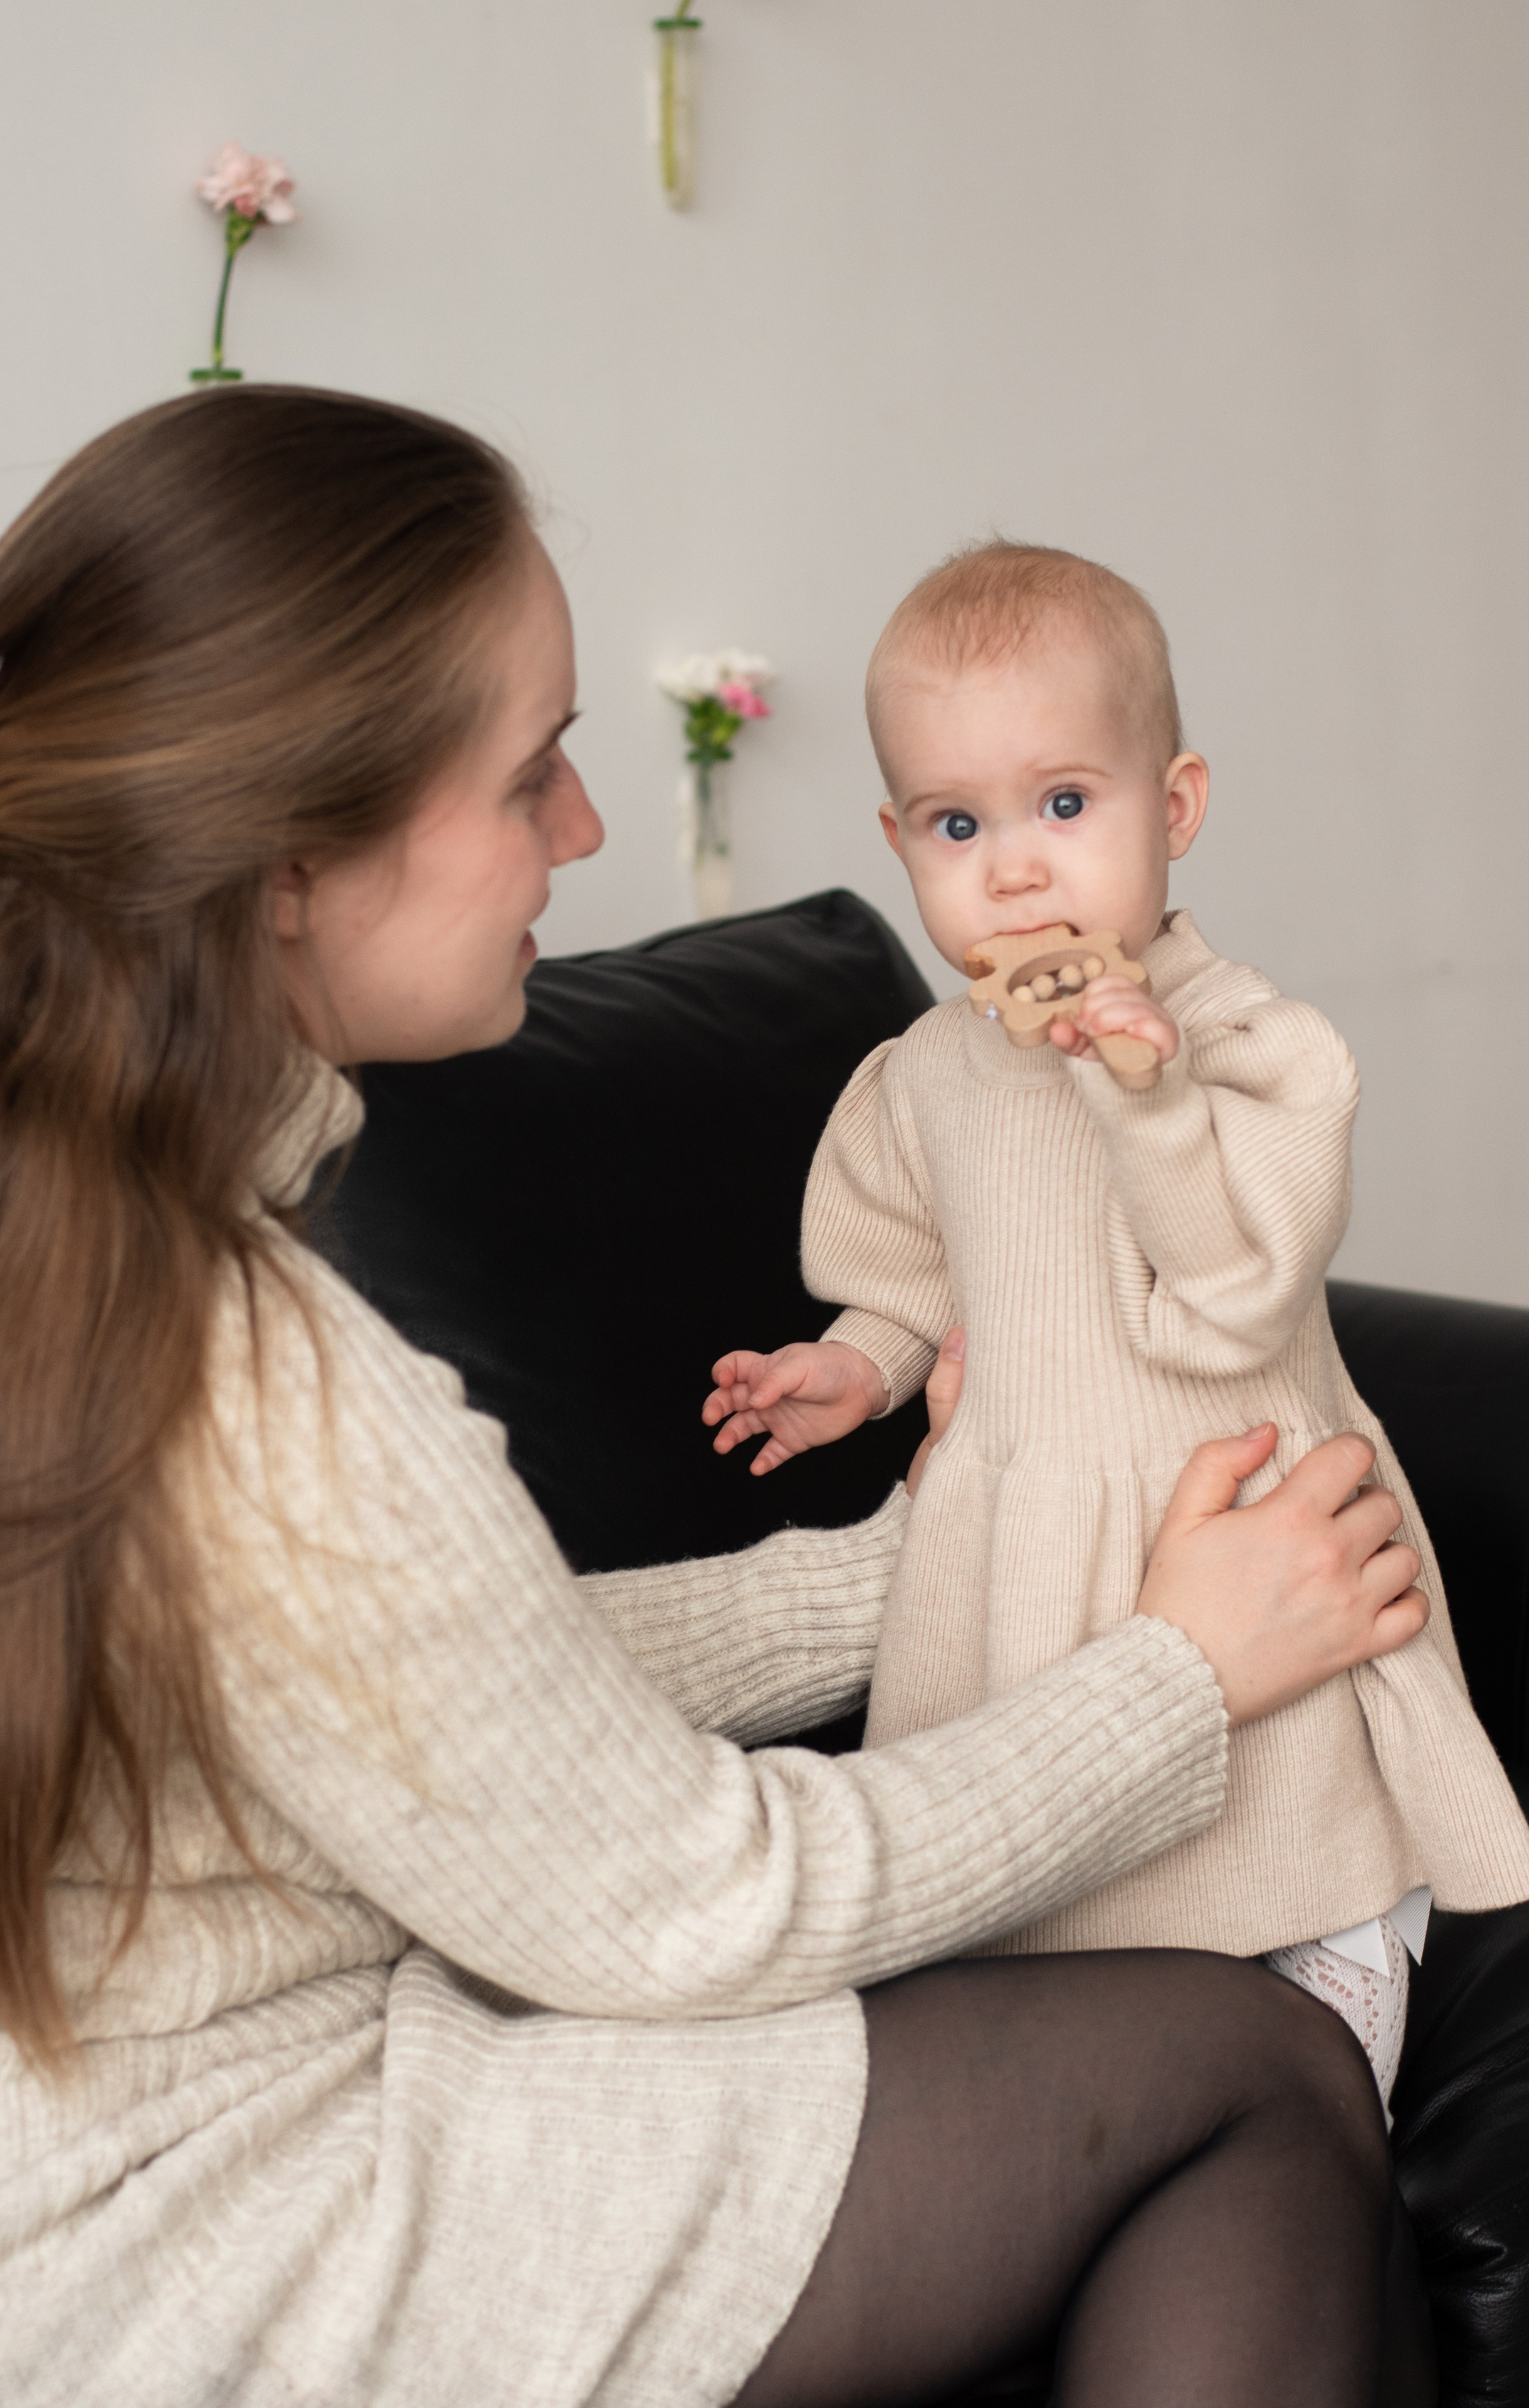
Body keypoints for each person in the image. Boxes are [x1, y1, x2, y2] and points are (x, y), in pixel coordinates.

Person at [0, 389, 1432, 2408]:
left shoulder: (39, 1213)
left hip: (44, 2180)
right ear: (289, 865)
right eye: (530, 773)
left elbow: (448, 1684)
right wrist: (1180, 1675)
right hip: (194, 2241)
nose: (585, 832)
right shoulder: (252, 1373)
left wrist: (915, 1569)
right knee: (1259, 2073)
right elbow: (698, 1905)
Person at [704, 541, 1529, 2104]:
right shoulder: (929, 1073)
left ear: (1175, 806)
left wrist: (1143, 1095)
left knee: (1293, 1825)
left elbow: (1237, 1288)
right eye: (956, 826)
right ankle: (1110, 2082)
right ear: (896, 839)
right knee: (1056, 1889)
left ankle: (1324, 2043)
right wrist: (858, 1364)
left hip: (1233, 1512)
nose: (1014, 872)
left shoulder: (1250, 1047)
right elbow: (918, 1268)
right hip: (1021, 1541)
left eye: (1064, 805)